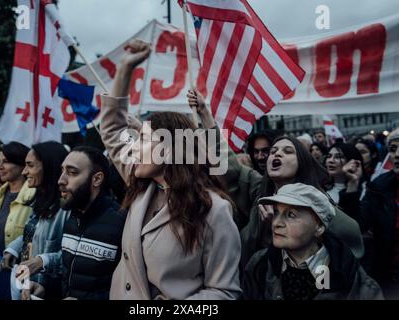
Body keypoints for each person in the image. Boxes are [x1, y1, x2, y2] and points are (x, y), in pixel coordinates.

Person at [101, 39, 241, 300]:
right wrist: (125, 68)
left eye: (142, 139)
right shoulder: (140, 185)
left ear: (168, 148)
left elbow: (224, 293)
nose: (133, 147)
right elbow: (113, 130)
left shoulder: (214, 210)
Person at [189, 90, 364, 271]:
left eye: (287, 151)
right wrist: (205, 115)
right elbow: (228, 166)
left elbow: (351, 235)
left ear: (302, 163)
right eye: (273, 152)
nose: (276, 153)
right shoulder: (259, 189)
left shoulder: (316, 200)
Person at [242, 183, 383, 300]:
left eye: (291, 215)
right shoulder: (260, 265)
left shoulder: (352, 278)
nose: (276, 222)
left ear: (319, 227)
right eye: (277, 212)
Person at [41, 146, 126, 300]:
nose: (61, 180)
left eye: (72, 173)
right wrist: (44, 289)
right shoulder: (72, 216)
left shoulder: (122, 222)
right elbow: (71, 278)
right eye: (62, 171)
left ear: (97, 179)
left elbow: (131, 289)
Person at [0, 141, 68, 300]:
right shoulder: (40, 199)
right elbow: (31, 232)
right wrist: (13, 249)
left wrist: (41, 261)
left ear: (49, 166)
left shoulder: (66, 208)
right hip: (26, 283)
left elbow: (71, 255)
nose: (24, 172)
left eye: (30, 165)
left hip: (47, 289)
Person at [338, 128, 399, 299]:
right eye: (393, 149)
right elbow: (355, 226)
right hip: (390, 281)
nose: (397, 155)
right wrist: (352, 185)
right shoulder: (379, 187)